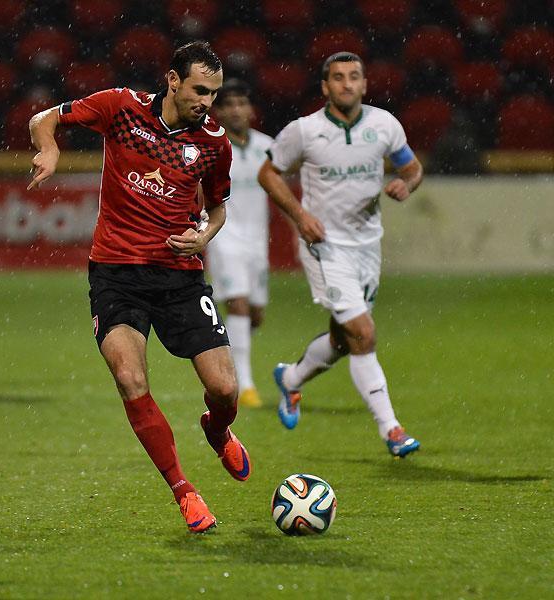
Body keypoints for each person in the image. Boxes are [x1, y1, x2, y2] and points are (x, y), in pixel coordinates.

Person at [28, 41, 251, 533]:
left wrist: (204, 237)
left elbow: (217, 209)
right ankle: (184, 491)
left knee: (225, 389)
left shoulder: (214, 144)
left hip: (179, 276)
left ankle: (217, 431)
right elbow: (44, 118)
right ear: (172, 80)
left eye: (213, 93)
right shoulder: (121, 108)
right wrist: (50, 147)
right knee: (130, 378)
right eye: (199, 90)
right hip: (116, 275)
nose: (207, 102)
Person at [258, 52, 424, 458]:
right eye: (338, 77)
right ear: (325, 87)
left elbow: (412, 168)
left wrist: (407, 184)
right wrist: (300, 216)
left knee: (343, 339)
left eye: (354, 77)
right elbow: (267, 174)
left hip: (367, 246)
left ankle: (291, 379)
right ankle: (392, 429)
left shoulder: (384, 125)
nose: (346, 84)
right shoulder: (304, 131)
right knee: (363, 333)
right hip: (324, 246)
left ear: (364, 84)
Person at [206, 79, 274, 409]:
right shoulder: (212, 145)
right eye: (229, 104)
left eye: (241, 103)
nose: (236, 110)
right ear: (218, 111)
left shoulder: (268, 147)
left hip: (257, 242)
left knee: (255, 316)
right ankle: (244, 385)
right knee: (240, 306)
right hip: (224, 237)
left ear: (251, 109)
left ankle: (227, 343)